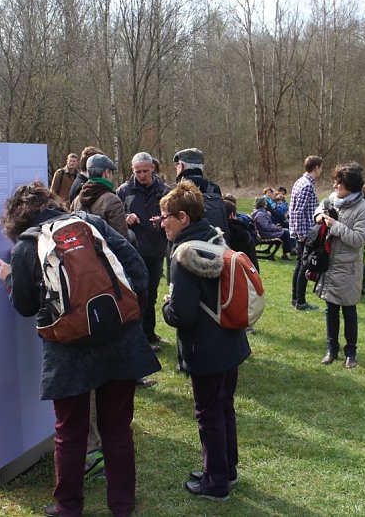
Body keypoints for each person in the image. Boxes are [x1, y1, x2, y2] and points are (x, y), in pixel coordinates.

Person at [0, 182, 160, 517]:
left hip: (68, 352)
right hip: (120, 343)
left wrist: (9, 278)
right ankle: (122, 506)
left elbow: (26, 306)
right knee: (117, 429)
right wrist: (123, 320)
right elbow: (138, 273)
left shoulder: (27, 246)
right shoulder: (91, 225)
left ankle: (67, 507)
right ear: (52, 203)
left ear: (15, 219)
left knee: (69, 433)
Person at [160, 181, 251, 503]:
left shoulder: (184, 254)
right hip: (230, 339)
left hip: (206, 348)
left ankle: (215, 483)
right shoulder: (215, 236)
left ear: (182, 217)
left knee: (208, 414)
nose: (161, 223)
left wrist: (166, 306)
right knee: (224, 407)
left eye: (165, 217)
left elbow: (182, 315)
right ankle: (226, 468)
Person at [313, 162, 365, 369]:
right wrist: (319, 215)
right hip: (330, 266)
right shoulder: (332, 199)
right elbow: (320, 207)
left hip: (348, 268)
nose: (334, 186)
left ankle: (351, 353)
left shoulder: (364, 209)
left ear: (351, 187)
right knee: (330, 310)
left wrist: (335, 226)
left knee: (349, 312)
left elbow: (359, 239)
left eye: (338, 184)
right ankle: (331, 349)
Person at [117, 152, 170, 351]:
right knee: (137, 294)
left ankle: (149, 332)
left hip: (156, 249)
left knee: (152, 293)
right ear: (132, 170)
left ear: (153, 169)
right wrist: (125, 216)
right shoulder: (124, 191)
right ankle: (139, 337)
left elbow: (173, 213)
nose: (142, 175)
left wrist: (163, 220)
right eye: (138, 171)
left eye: (145, 171)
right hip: (133, 251)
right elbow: (113, 215)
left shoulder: (164, 190)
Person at [289, 155, 323, 311]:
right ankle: (300, 302)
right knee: (304, 266)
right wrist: (301, 234)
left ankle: (295, 299)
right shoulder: (306, 185)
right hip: (305, 233)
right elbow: (297, 211)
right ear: (316, 167)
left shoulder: (300, 182)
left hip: (302, 231)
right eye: (321, 167)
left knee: (299, 265)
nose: (321, 170)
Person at [72, 154, 130, 239]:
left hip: (84, 250)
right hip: (107, 251)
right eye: (111, 173)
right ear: (106, 173)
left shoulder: (76, 200)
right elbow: (122, 239)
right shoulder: (112, 201)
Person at [224, 200, 259, 271]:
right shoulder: (242, 232)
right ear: (232, 215)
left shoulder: (213, 230)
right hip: (242, 272)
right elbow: (252, 258)